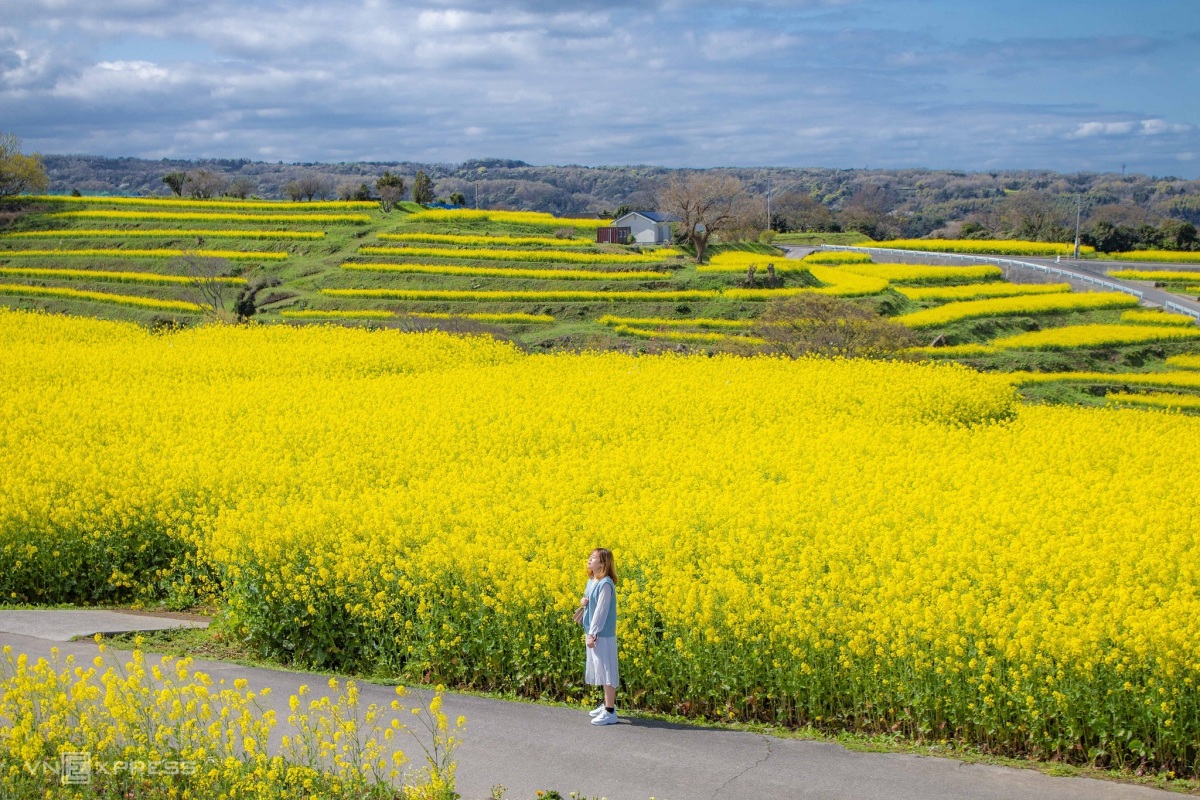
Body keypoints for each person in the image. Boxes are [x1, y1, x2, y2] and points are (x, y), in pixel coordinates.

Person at [577, 547, 619, 726]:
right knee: (601, 669)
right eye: (589, 557)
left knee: (608, 670)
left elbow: (601, 612)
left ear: (603, 563)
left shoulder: (606, 584)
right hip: (593, 632)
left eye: (593, 558)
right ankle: (606, 705)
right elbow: (592, 603)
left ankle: (610, 712)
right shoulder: (592, 580)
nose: (589, 560)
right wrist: (584, 602)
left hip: (602, 634)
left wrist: (592, 634)